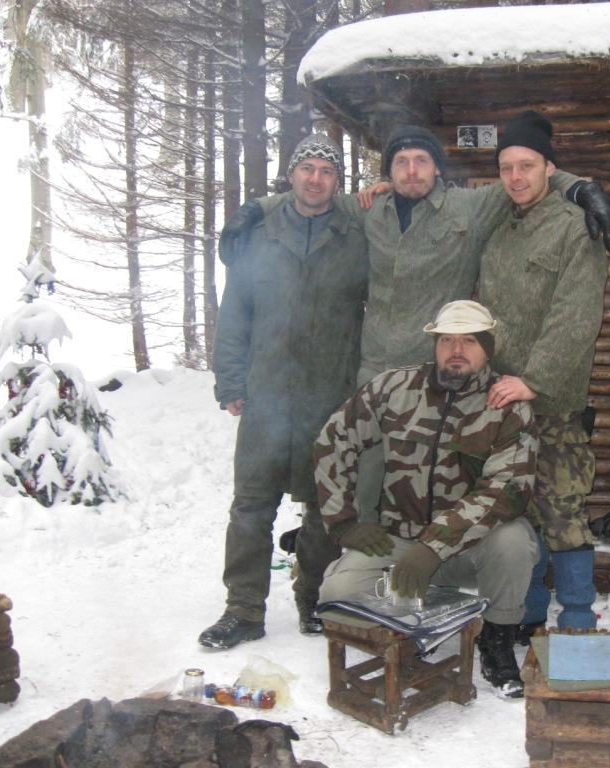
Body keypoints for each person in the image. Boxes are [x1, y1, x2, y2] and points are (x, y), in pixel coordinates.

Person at [220, 125, 610, 519]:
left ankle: (431, 562)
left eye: (421, 160)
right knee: (366, 488)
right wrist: (253, 210)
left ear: (438, 168)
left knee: (434, 488)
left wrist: (583, 189)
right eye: (401, 162)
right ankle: (364, 559)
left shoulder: (471, 207)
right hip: (374, 377)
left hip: (437, 379)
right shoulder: (369, 210)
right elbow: (312, 196)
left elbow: (526, 175)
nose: (411, 170)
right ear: (389, 171)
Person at [313, 300, 539, 698]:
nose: (456, 350)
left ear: (488, 348)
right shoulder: (394, 388)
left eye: (470, 340)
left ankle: (497, 639)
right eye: (446, 340)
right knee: (335, 596)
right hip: (401, 539)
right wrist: (343, 522)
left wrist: (433, 548)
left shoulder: (508, 404)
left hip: (470, 548)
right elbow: (334, 439)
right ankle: (418, 619)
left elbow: (506, 489)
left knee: (514, 540)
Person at [198, 134, 369, 649]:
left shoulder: (355, 237)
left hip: (329, 393)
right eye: (307, 168)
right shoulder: (261, 235)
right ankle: (243, 609)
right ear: (291, 174)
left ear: (337, 182)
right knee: (251, 506)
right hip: (267, 393)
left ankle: (313, 597)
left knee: (324, 507)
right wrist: (230, 380)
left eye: (326, 171)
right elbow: (235, 314)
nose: (315, 179)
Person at [478, 110, 609, 635]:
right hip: (501, 400)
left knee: (562, 509)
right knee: (519, 511)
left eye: (527, 165)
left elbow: (577, 313)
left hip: (551, 402)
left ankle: (577, 617)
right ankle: (528, 616)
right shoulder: (499, 227)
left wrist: (534, 380)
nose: (515, 177)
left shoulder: (576, 226)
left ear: (550, 168)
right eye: (506, 167)